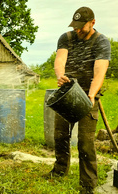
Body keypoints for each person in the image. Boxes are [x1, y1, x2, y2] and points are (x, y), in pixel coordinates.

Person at [44, 7, 111, 194]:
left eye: (82, 26)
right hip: (68, 93)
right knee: (60, 135)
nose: (78, 30)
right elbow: (60, 59)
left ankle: (88, 184)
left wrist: (91, 95)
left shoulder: (102, 42)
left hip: (89, 94)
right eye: (75, 26)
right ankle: (59, 171)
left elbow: (100, 71)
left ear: (93, 23)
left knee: (85, 141)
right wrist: (60, 75)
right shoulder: (66, 37)